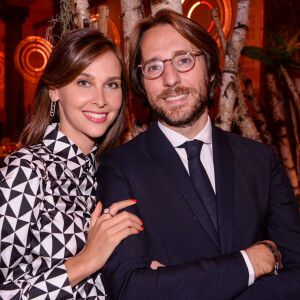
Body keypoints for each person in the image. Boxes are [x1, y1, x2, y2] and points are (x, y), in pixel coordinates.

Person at [96, 9, 300, 300]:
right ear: (142, 83)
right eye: (153, 67)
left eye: (184, 60)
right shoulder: (120, 168)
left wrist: (177, 285)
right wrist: (254, 261)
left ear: (212, 70)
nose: (170, 79)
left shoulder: (261, 161)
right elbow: (132, 290)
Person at [0, 28, 144, 299]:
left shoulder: (109, 174)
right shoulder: (27, 171)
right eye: (84, 82)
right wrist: (87, 260)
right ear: (54, 90)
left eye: (111, 84)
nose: (100, 100)